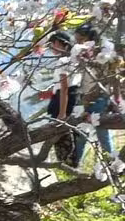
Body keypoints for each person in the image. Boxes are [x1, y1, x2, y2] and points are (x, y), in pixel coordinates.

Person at [72, 23, 114, 164]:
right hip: (85, 97)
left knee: (102, 131)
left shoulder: (102, 56)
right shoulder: (84, 56)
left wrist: (88, 99)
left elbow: (103, 81)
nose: (77, 44)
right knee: (81, 132)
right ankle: (74, 163)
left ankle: (111, 163)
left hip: (98, 99)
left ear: (88, 38)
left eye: (80, 40)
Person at [47, 31, 79, 167]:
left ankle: (68, 164)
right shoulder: (74, 60)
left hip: (62, 100)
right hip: (68, 98)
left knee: (61, 135)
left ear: (62, 44)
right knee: (63, 134)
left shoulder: (63, 61)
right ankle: (68, 163)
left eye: (53, 43)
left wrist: (62, 113)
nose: (51, 47)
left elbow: (65, 88)